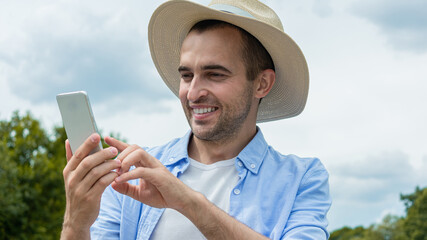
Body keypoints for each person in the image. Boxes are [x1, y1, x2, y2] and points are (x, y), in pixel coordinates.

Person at [60, 0, 331, 239]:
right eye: (187, 75)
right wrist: (76, 224)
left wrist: (186, 201)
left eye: (215, 74)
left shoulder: (302, 179)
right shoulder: (130, 175)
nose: (192, 92)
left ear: (262, 83)